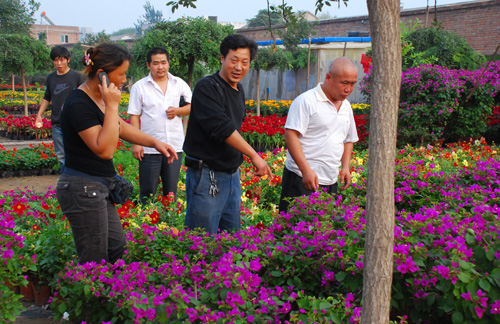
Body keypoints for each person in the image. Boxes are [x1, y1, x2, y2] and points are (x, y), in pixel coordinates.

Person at [56, 43, 178, 264]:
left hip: (97, 186)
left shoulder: (99, 99)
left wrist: (155, 142)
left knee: (116, 249)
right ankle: (92, 298)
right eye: (121, 74)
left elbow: (120, 126)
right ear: (102, 73)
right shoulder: (78, 103)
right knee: (94, 258)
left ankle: (111, 296)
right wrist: (112, 106)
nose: (124, 80)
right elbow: (104, 149)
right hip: (82, 188)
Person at [183, 34, 272, 235]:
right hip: (207, 175)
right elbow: (223, 129)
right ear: (222, 58)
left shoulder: (238, 89)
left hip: (231, 175)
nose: (238, 67)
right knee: (201, 240)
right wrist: (254, 155)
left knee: (230, 237)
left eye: (245, 62)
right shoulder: (207, 87)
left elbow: (234, 129)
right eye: (234, 60)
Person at [278, 57, 359, 213]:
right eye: (344, 83)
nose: (348, 89)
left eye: (352, 84)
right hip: (301, 178)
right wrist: (305, 170)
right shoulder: (306, 101)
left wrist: (346, 167)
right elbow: (291, 136)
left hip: (330, 179)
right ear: (328, 77)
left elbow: (348, 140)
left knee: (324, 231)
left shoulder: (346, 106)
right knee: (294, 230)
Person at [127, 47, 192, 204]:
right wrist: (136, 143)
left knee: (171, 192)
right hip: (149, 148)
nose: (160, 67)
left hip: (174, 147)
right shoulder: (139, 87)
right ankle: (146, 224)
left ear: (169, 63)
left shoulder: (179, 84)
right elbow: (134, 116)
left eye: (163, 62)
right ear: (148, 65)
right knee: (148, 191)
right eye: (156, 63)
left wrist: (178, 111)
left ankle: (168, 223)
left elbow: (192, 106)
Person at [35, 46, 86, 172]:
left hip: (74, 123)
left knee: (75, 152)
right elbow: (47, 97)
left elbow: (85, 97)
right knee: (61, 155)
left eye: (61, 60)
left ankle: (75, 178)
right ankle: (66, 179)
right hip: (57, 123)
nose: (59, 63)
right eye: (56, 60)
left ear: (68, 60)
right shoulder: (51, 78)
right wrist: (39, 115)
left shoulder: (77, 77)